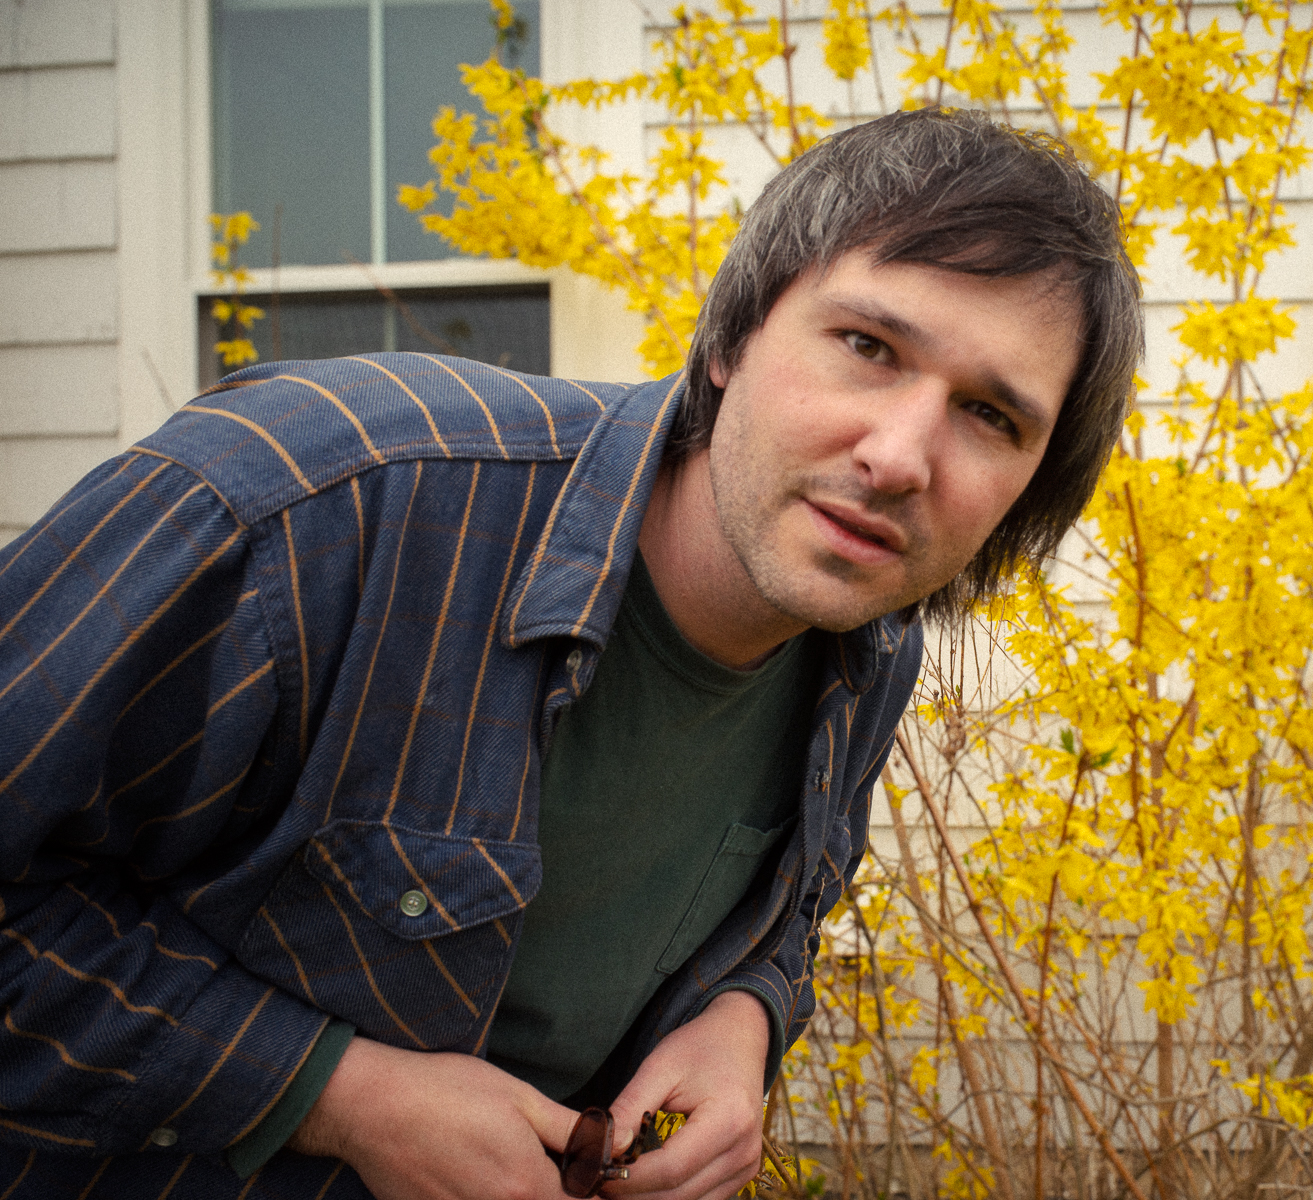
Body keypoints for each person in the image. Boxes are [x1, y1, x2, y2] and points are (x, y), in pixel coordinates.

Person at [0, 107, 1142, 1200]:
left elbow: (783, 902)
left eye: (992, 417)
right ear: (732, 341)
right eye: (866, 344)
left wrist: (743, 1018)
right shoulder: (310, 504)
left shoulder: (863, 642)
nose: (900, 455)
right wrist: (334, 1096)